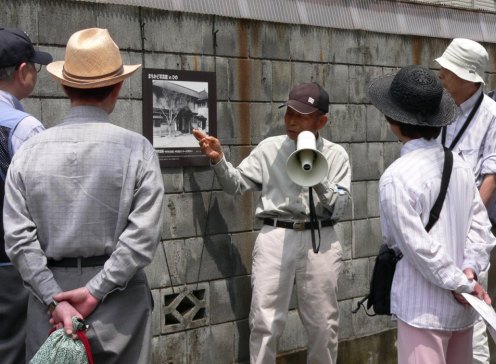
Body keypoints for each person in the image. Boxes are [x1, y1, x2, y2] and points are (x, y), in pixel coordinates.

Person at [3, 28, 164, 363]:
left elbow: (18, 240)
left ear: (63, 86)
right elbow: (142, 238)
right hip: (121, 302)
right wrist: (95, 291)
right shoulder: (138, 150)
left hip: (50, 300)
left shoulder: (29, 151)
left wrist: (53, 298)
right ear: (119, 86)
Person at [193, 82, 351, 364]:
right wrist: (219, 160)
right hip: (276, 234)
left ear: (321, 121)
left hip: (321, 239)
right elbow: (236, 185)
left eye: (301, 115)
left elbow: (340, 207)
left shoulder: (337, 155)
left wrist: (317, 175)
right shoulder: (269, 148)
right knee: (265, 321)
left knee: (324, 325)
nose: (291, 120)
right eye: (289, 112)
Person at [368, 64, 496, 363]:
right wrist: (470, 271)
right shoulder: (460, 165)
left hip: (421, 306)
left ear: (393, 120)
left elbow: (417, 248)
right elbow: (481, 230)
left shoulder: (396, 177)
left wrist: (460, 281)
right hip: (462, 306)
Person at [434, 38, 496, 364]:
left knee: (470, 306)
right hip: (435, 224)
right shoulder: (441, 107)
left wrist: (468, 223)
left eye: (448, 69)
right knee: (439, 307)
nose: (441, 74)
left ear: (469, 75)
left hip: (468, 228)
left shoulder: (491, 115)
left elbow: (491, 175)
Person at [0, 27, 52, 364]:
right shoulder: (22, 127)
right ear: (23, 72)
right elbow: (45, 202)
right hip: (9, 268)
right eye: (34, 67)